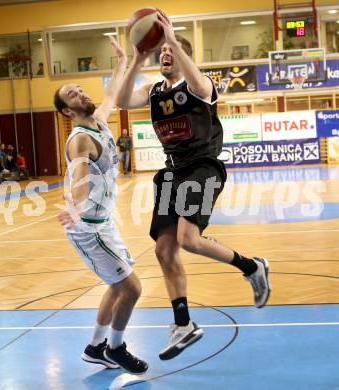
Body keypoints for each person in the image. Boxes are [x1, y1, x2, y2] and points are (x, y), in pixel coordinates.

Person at [116, 12, 271, 361]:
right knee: (164, 250)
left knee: (188, 240)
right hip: (171, 173)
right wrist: (139, 58)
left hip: (202, 167)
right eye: (162, 53)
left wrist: (172, 38)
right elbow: (123, 100)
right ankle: (183, 324)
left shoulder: (200, 87)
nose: (165, 56)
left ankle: (252, 267)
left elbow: (200, 83)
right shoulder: (154, 91)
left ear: (183, 57)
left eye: (170, 52)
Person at [53, 36, 148, 374]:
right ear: (67, 110)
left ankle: (95, 347)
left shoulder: (100, 121)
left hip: (103, 222)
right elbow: (79, 177)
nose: (81, 92)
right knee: (132, 288)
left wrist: (123, 60)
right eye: (72, 94)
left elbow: (111, 94)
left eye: (80, 88)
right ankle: (116, 348)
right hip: (88, 229)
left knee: (117, 285)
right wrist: (75, 208)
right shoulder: (80, 139)